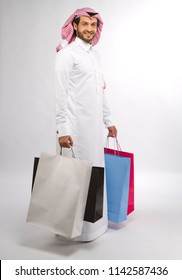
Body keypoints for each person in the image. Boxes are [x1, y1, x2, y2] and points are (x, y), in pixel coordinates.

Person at [54, 7, 117, 242]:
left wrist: (108, 121)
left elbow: (101, 92)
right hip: (75, 129)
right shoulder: (67, 54)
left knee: (94, 174)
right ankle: (74, 231)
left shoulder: (95, 56)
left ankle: (95, 227)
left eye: (93, 25)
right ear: (75, 26)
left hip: (93, 129)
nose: (89, 29)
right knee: (75, 178)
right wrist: (63, 129)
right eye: (85, 24)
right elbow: (60, 94)